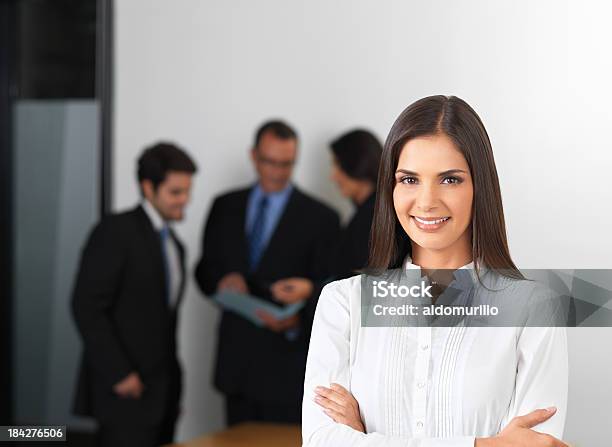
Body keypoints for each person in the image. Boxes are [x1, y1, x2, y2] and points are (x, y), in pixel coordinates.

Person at [302, 96, 569, 446]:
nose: (426, 201)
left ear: (479, 188)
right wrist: (481, 444)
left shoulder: (534, 308)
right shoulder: (343, 302)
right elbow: (321, 441)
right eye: (409, 179)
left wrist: (363, 438)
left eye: (450, 180)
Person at [195, 120, 339, 426]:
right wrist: (221, 281)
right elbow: (204, 269)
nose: (277, 172)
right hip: (235, 365)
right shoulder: (225, 206)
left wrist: (297, 319)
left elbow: (331, 286)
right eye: (269, 162)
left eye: (286, 164)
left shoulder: (322, 217)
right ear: (253, 156)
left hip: (286, 368)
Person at [71, 142, 197, 447]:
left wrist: (171, 391)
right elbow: (86, 306)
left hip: (162, 396)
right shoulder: (115, 232)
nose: (185, 200)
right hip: (123, 393)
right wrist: (120, 373)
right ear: (148, 187)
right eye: (175, 192)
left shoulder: (173, 244)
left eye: (187, 191)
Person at [271, 129, 383, 304]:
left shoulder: (371, 218)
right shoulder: (370, 213)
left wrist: (310, 290)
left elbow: (363, 289)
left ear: (357, 164)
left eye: (338, 165)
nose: (333, 176)